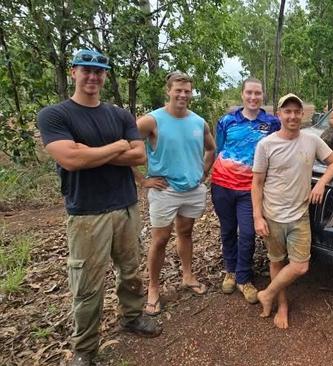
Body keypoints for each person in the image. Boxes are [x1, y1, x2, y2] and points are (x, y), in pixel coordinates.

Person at [36, 49, 161, 366]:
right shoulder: (55, 115)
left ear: (105, 76)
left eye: (99, 71)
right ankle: (86, 349)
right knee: (88, 285)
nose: (92, 76)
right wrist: (117, 146)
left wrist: (91, 151)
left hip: (126, 206)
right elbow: (70, 159)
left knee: (129, 270)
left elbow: (139, 156)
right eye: (86, 70)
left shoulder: (118, 115)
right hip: (87, 213)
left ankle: (132, 317)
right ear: (73, 72)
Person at [253, 93, 333, 329]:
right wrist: (257, 217)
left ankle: (267, 293)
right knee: (276, 262)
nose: (292, 116)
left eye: (296, 111)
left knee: (301, 266)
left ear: (303, 114)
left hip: (300, 215)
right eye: (287, 111)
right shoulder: (266, 145)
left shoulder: (311, 141)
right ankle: (281, 305)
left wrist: (321, 183)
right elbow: (257, 183)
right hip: (272, 216)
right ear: (279, 114)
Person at [135, 71, 216, 316]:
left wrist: (202, 173)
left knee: (186, 232)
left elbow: (211, 149)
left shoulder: (198, 122)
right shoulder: (151, 121)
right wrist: (142, 180)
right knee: (160, 239)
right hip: (164, 190)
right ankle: (153, 288)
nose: (182, 94)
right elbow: (125, 145)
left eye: (187, 91)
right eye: (178, 90)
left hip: (192, 189)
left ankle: (188, 276)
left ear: (191, 93)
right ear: (168, 91)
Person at [209, 78, 280, 304]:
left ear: (263, 96)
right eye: (249, 92)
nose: (253, 97)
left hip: (250, 189)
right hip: (222, 185)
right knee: (228, 229)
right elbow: (220, 148)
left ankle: (244, 278)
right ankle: (230, 271)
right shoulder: (227, 120)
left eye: (257, 93)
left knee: (248, 232)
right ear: (242, 94)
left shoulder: (271, 123)